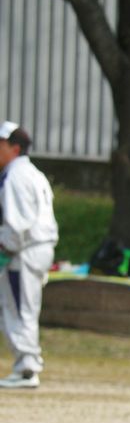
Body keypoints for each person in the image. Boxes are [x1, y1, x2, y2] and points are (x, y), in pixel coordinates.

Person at [0, 122, 57, 390]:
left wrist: (4, 248)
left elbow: (17, 223)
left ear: (15, 148)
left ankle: (26, 368)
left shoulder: (16, 177)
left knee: (19, 307)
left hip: (24, 251)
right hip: (37, 248)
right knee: (25, 307)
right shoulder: (32, 173)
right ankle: (26, 365)